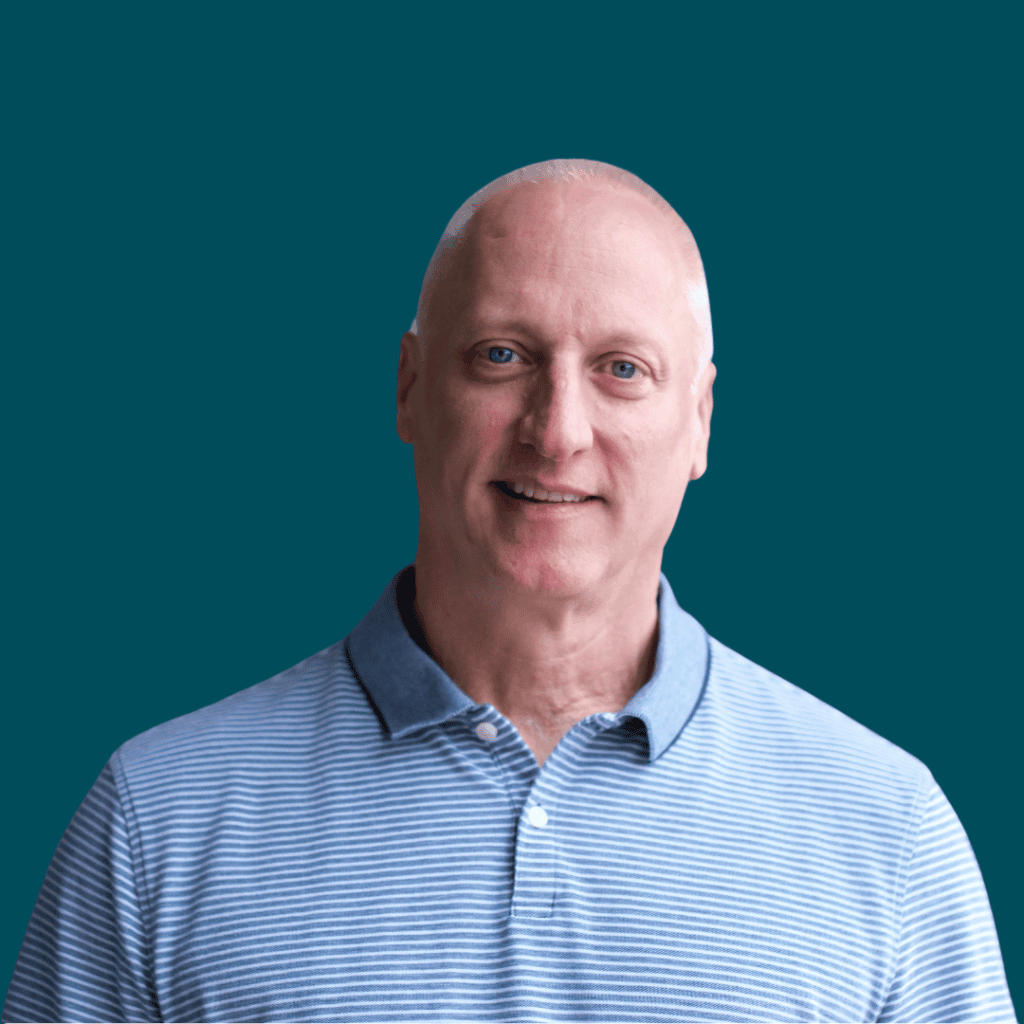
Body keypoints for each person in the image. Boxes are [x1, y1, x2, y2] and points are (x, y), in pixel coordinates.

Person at [4, 159, 1015, 1023]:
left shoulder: (887, 831)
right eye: (502, 356)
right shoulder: (158, 821)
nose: (557, 430)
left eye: (621, 368)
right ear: (409, 387)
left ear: (700, 420)